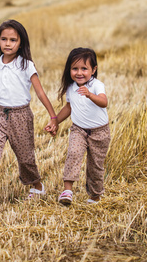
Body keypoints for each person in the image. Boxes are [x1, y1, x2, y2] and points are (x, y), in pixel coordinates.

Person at [0, 20, 58, 207]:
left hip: (20, 116)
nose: (8, 43)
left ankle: (37, 186)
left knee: (25, 158)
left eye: (13, 40)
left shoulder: (26, 65)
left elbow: (40, 92)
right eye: (4, 39)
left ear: (21, 43)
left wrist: (53, 116)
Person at [46, 47, 111, 206]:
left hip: (100, 132)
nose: (79, 73)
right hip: (79, 130)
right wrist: (55, 120)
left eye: (84, 68)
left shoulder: (97, 85)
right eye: (75, 68)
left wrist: (89, 94)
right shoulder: (71, 87)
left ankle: (95, 196)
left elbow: (104, 102)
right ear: (69, 70)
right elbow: (69, 107)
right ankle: (67, 191)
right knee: (73, 154)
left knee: (95, 166)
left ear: (93, 70)